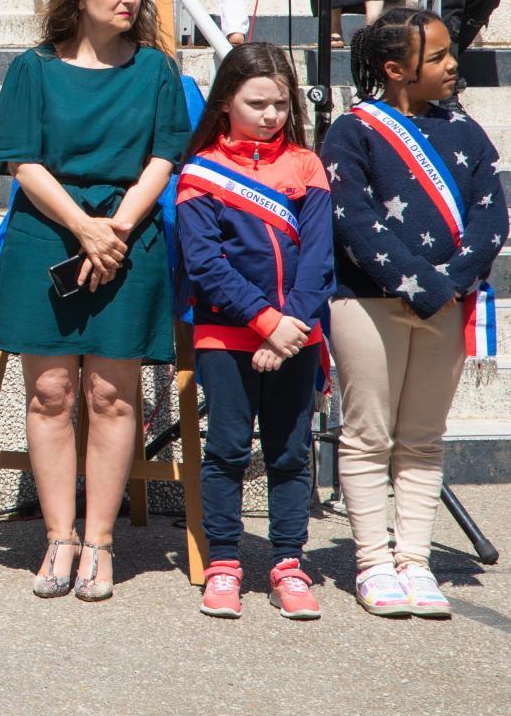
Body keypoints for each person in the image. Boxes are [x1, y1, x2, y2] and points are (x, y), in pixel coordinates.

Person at [0, 0, 189, 602]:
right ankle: (59, 538)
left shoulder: (155, 71)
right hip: (49, 235)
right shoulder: (33, 70)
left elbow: (164, 157)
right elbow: (22, 159)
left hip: (129, 237)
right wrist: (83, 228)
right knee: (49, 395)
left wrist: (117, 230)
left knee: (111, 394)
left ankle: (99, 543)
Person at [320, 8, 507, 618]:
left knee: (424, 438)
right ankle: (374, 562)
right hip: (370, 302)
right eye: (437, 57)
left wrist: (452, 281)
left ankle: (415, 561)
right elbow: (353, 219)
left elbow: (490, 215)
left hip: (447, 302)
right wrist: (423, 284)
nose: (453, 65)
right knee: (369, 433)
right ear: (396, 70)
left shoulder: (467, 133)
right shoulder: (353, 131)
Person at [176, 43, 332, 620]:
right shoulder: (201, 172)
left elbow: (318, 259)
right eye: (257, 103)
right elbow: (206, 265)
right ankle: (223, 563)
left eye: (281, 105)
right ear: (225, 103)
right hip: (229, 336)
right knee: (227, 450)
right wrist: (267, 324)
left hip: (298, 335)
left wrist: (291, 328)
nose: (271, 116)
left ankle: (288, 563)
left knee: (292, 453)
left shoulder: (306, 165)